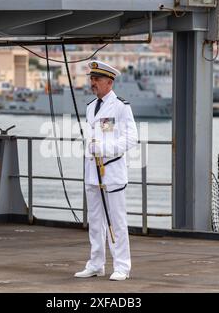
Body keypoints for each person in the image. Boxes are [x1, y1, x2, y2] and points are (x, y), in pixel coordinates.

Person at [74, 60, 138, 281]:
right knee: (95, 221)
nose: (93, 83)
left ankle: (122, 266)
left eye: (97, 79)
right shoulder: (91, 107)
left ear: (109, 82)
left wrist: (105, 148)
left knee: (117, 221)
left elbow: (131, 138)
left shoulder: (121, 106)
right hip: (92, 172)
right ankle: (96, 263)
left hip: (111, 172)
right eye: (92, 79)